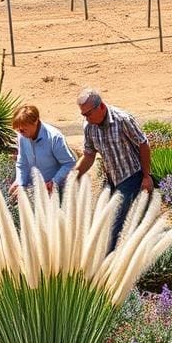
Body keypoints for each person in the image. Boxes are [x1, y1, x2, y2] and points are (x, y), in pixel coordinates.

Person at [73, 87, 153, 249]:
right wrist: (74, 176)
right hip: (110, 180)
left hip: (131, 176)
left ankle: (110, 264)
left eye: (88, 114)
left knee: (115, 224)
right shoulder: (89, 126)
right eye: (83, 115)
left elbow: (143, 144)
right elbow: (89, 155)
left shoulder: (123, 120)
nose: (86, 118)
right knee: (101, 221)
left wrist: (146, 176)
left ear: (101, 107)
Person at [8, 104, 77, 197]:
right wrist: (20, 183)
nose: (20, 132)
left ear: (35, 121)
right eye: (19, 130)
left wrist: (54, 182)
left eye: (24, 128)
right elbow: (22, 163)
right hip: (35, 191)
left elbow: (69, 163)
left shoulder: (55, 137)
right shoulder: (22, 136)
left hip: (58, 192)